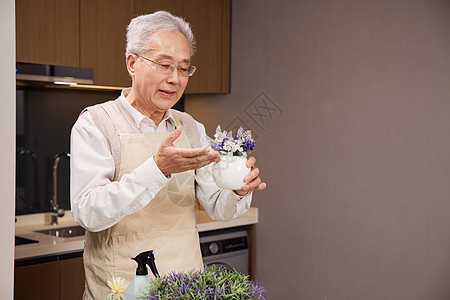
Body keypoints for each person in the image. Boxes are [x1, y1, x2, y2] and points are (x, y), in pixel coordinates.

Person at [70, 11, 266, 299]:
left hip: (186, 287)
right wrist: (157, 169)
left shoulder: (190, 127)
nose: (175, 79)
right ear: (132, 63)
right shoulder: (96, 123)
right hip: (122, 288)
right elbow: (88, 212)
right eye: (164, 65)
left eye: (184, 68)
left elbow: (218, 208)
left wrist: (237, 190)